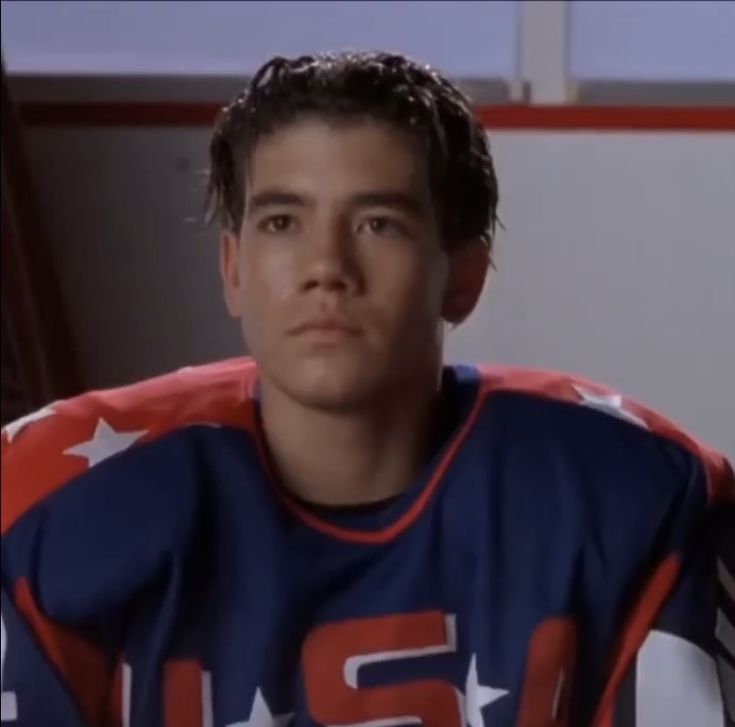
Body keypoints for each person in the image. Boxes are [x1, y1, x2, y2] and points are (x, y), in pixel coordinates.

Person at [1, 51, 733, 727]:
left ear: (464, 274)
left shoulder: (638, 496)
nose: (326, 266)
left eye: (378, 223)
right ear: (233, 269)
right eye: (283, 221)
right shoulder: (47, 513)